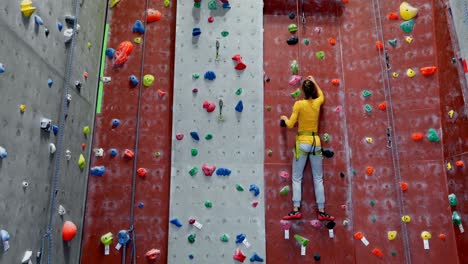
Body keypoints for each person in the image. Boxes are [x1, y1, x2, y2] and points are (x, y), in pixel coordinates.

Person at [280, 76, 335, 221]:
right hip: (315, 142)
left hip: (302, 142)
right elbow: (322, 95)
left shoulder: (299, 105)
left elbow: (291, 124)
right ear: (313, 90)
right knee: (318, 178)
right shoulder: (317, 103)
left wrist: (285, 119)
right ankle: (322, 210)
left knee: (297, 177)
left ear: (303, 91)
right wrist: (315, 81)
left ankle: (296, 208)